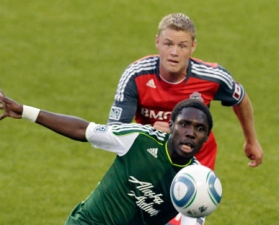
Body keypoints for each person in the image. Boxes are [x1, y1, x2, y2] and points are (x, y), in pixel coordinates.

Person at [107, 12, 263, 225]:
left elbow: (241, 99)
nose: (174, 52)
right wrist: (150, 132)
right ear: (157, 42)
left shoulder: (212, 77)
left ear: (193, 47)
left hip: (195, 167)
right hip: (150, 162)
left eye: (182, 46)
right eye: (168, 44)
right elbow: (114, 131)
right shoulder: (136, 75)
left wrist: (251, 139)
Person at [0, 85, 213, 225]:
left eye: (199, 129)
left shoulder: (197, 182)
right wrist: (26, 111)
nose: (190, 133)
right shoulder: (140, 139)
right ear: (171, 125)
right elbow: (84, 130)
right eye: (184, 124)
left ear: (206, 137)